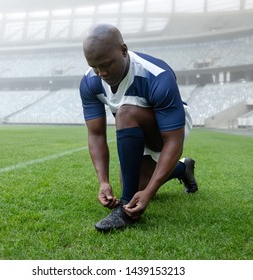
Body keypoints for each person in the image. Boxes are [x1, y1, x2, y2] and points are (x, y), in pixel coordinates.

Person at [79, 23, 198, 232]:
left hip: (170, 127)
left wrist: (151, 192)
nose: (102, 73)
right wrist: (103, 181)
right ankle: (183, 168)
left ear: (124, 51)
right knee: (135, 186)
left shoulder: (157, 75)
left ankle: (124, 212)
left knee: (126, 112)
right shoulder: (90, 82)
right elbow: (96, 134)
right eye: (95, 67)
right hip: (135, 128)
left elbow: (173, 141)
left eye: (107, 65)